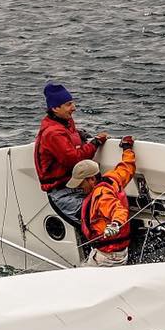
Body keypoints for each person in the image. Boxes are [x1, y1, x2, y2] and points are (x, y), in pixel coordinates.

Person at [33, 82, 109, 227]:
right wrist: (95, 143)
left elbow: (70, 137)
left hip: (76, 183)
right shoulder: (53, 133)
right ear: (55, 108)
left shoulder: (66, 121)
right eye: (68, 104)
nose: (74, 108)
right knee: (98, 221)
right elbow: (74, 159)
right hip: (63, 191)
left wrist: (79, 135)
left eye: (72, 103)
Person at [70, 135, 136, 267]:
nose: (78, 188)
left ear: (92, 179)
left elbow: (118, 210)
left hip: (108, 256)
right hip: (115, 251)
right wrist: (127, 148)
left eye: (80, 184)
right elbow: (127, 167)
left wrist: (115, 224)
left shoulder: (101, 195)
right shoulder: (112, 179)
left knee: (82, 277)